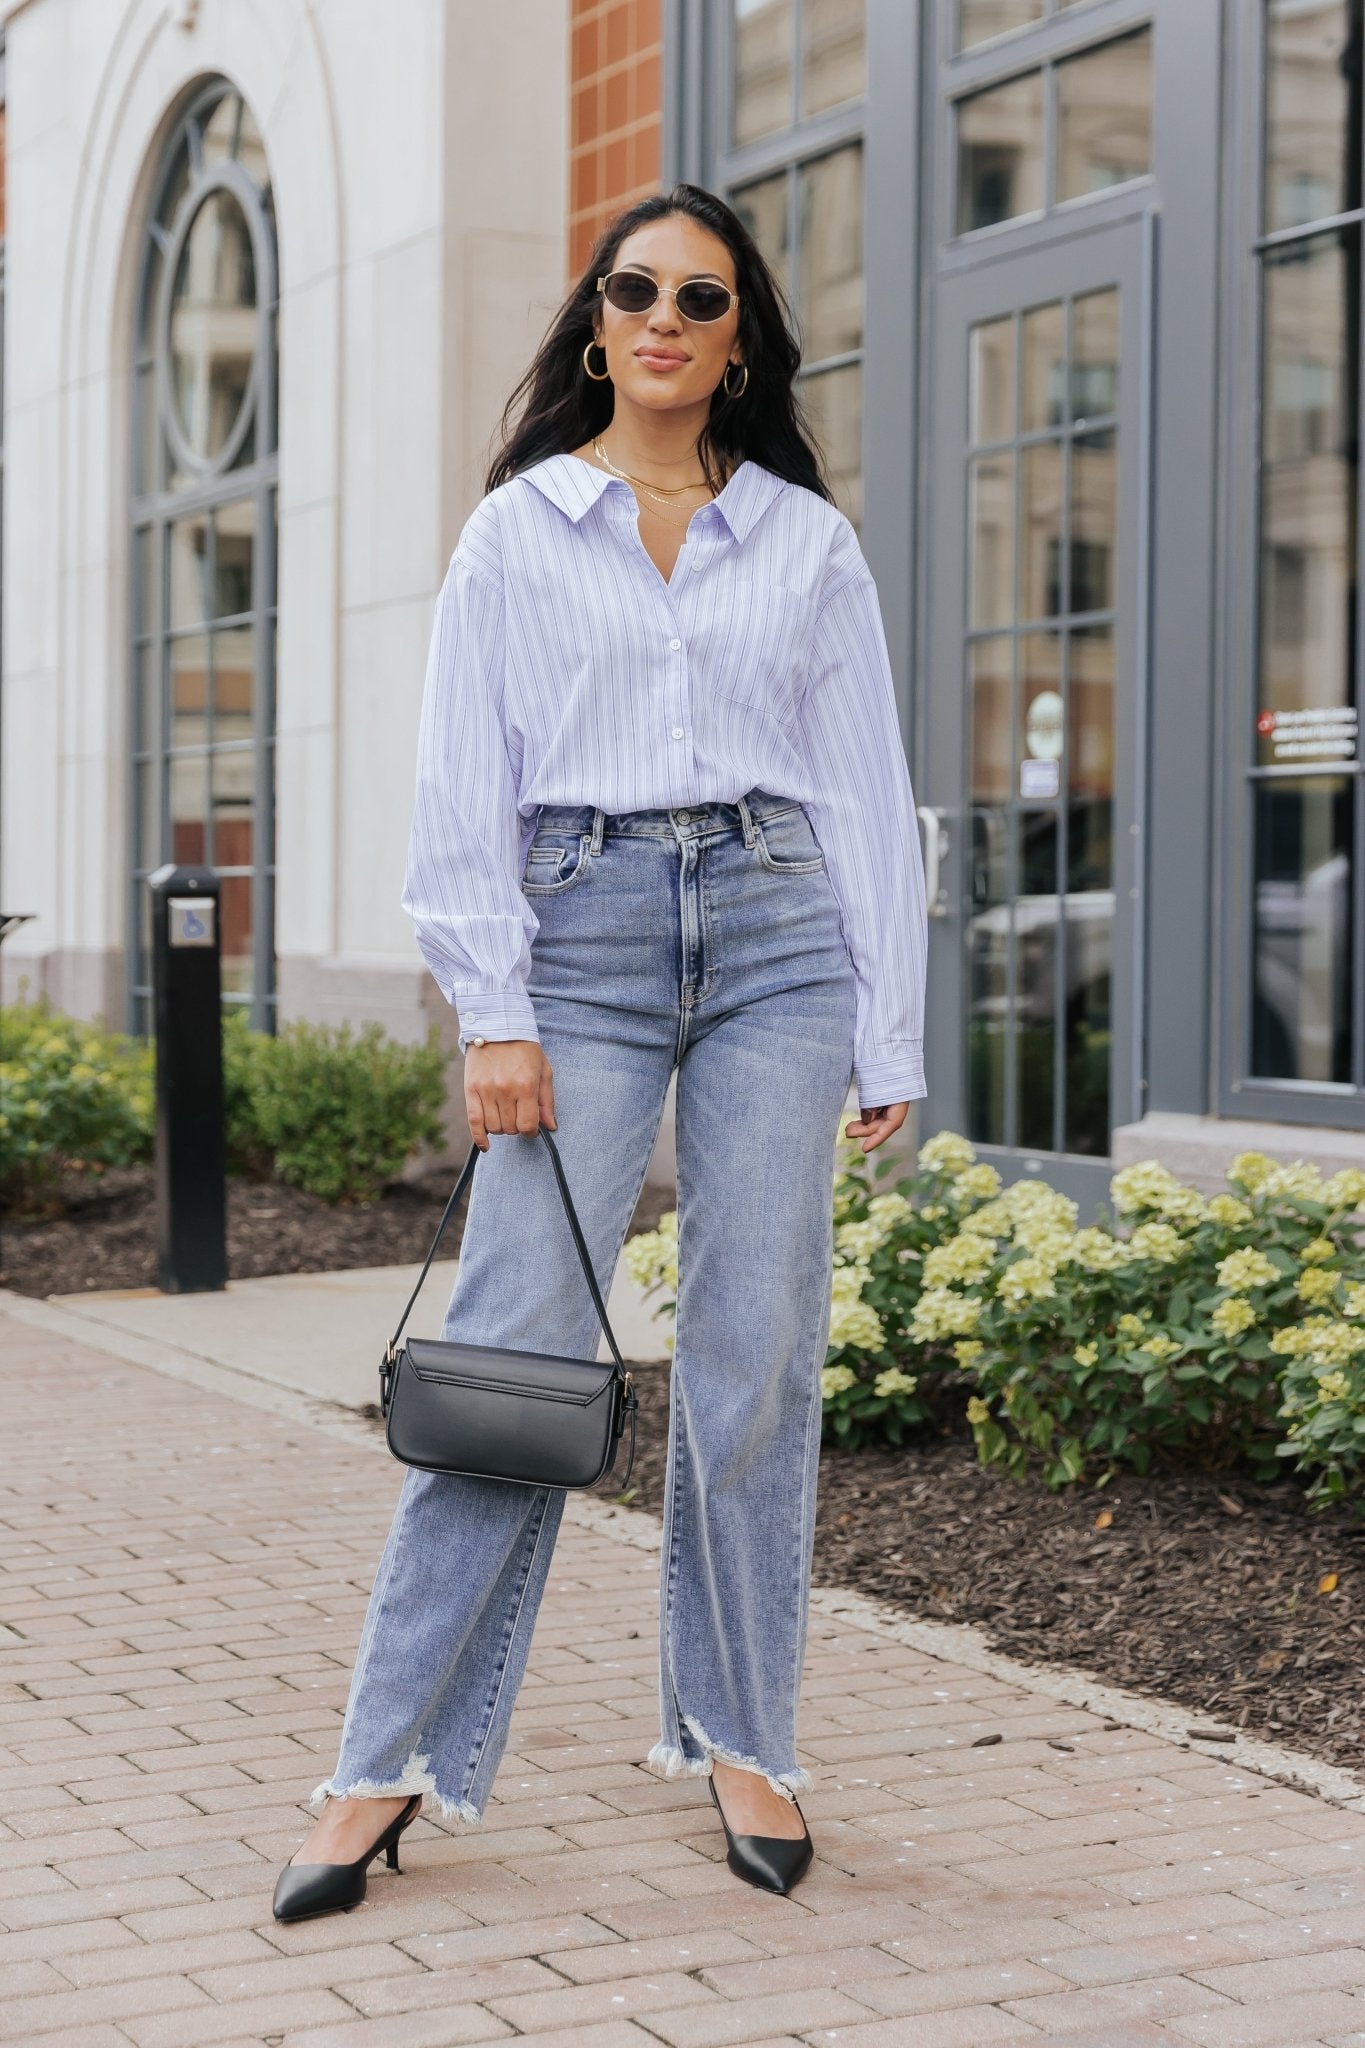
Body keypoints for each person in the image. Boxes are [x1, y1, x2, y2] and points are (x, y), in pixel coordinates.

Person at [272, 181, 928, 1924]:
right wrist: (492, 1007)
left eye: (699, 299)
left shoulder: (801, 539)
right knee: (509, 1346)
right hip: (579, 942)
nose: (662, 318)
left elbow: (865, 793)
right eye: (632, 289)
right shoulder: (518, 532)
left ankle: (740, 1730)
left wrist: (889, 1023)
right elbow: (455, 791)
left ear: (735, 342)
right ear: (593, 322)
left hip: (784, 936)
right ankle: (378, 1766)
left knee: (754, 1354)